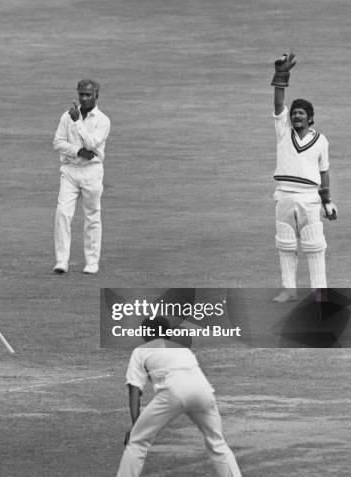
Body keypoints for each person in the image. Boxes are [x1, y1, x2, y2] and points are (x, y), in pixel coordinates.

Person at [116, 317, 242, 477]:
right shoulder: (182, 349)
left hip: (174, 392)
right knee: (217, 442)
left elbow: (134, 389)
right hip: (203, 391)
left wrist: (135, 425)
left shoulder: (140, 351)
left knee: (137, 442)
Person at [270, 53, 337, 303]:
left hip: (309, 197)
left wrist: (327, 201)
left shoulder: (321, 141)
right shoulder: (283, 132)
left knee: (314, 245)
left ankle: (321, 291)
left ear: (310, 117)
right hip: (284, 194)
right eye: (294, 113)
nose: (296, 116)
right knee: (285, 244)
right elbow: (278, 104)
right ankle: (289, 289)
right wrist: (281, 75)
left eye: (301, 114)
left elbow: (324, 171)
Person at [53, 79, 111, 274]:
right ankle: (62, 260)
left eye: (88, 95)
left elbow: (91, 143)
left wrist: (78, 122)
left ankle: (92, 262)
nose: (84, 98)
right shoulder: (66, 116)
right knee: (62, 213)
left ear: (96, 96)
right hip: (69, 170)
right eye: (81, 94)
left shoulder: (103, 120)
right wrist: (77, 151)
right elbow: (58, 142)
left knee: (92, 216)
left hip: (92, 172)